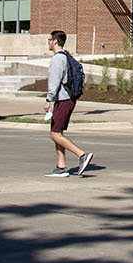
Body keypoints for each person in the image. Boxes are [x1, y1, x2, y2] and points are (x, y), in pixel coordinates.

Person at [43, 30, 93, 178]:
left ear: (55, 41)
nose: (48, 42)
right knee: (57, 133)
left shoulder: (58, 59)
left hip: (63, 100)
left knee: (54, 134)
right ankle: (61, 167)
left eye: (49, 40)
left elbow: (55, 81)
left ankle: (82, 154)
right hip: (64, 99)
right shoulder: (64, 56)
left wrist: (48, 100)